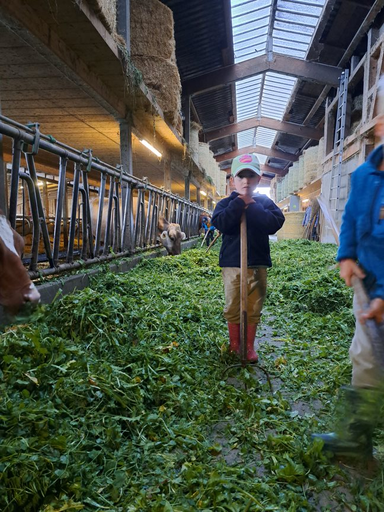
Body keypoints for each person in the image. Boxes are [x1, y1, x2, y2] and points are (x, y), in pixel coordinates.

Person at [312, 87, 384, 460]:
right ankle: (358, 441)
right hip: (367, 287)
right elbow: (352, 220)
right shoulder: (366, 174)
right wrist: (346, 256)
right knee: (366, 359)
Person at [211, 154, 285, 361]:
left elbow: (275, 222)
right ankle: (235, 345)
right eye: (241, 176)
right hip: (232, 264)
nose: (246, 181)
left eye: (251, 176)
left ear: (258, 179)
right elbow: (222, 223)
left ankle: (249, 346)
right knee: (233, 303)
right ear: (232, 180)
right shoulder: (225, 204)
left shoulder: (264, 202)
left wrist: (251, 206)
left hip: (257, 263)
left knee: (254, 305)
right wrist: (238, 204)